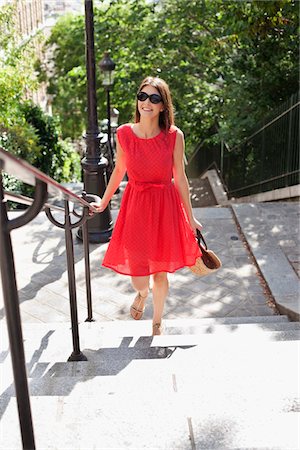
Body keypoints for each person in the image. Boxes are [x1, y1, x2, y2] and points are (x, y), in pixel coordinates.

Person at [92, 76, 202, 335]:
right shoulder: (124, 134)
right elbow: (119, 171)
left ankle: (157, 322)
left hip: (165, 206)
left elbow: (180, 178)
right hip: (137, 206)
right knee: (139, 276)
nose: (147, 103)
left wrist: (191, 217)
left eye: (154, 98)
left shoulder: (174, 136)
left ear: (163, 105)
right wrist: (104, 201)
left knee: (161, 272)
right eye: (143, 96)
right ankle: (142, 294)